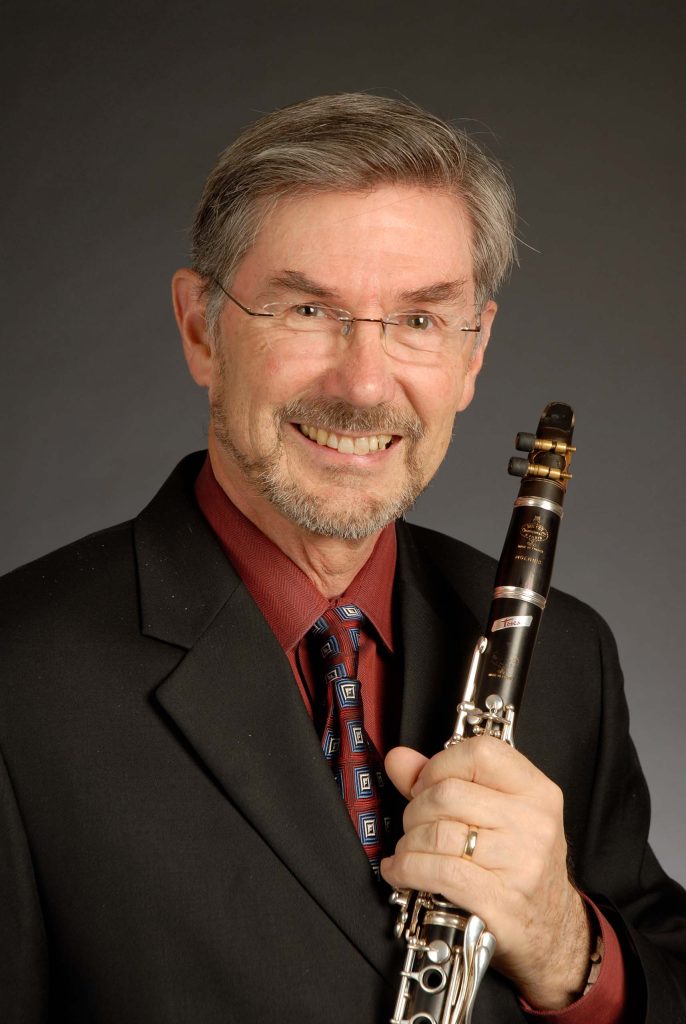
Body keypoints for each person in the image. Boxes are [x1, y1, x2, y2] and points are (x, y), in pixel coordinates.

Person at [1, 93, 684, 1024]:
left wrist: (570, 947)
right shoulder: (19, 680)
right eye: (309, 307)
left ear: (473, 352)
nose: (363, 385)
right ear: (202, 329)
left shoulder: (565, 656)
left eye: (418, 320)